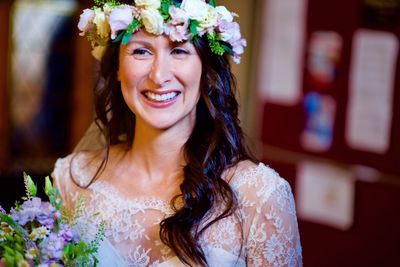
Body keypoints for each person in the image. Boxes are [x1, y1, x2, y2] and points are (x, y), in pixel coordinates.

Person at [52, 0, 302, 266]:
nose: (159, 76)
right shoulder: (73, 178)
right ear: (116, 69)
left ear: (206, 69)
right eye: (141, 51)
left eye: (179, 51)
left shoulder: (260, 196)